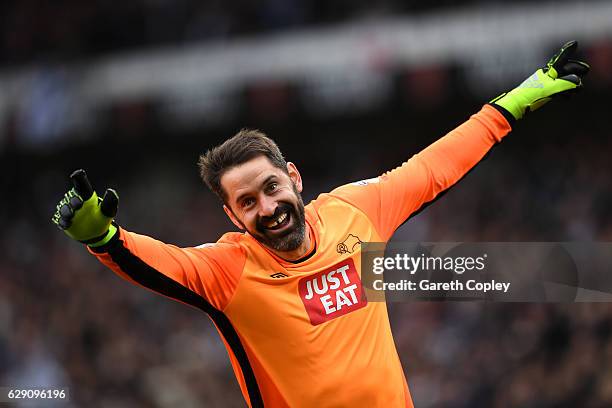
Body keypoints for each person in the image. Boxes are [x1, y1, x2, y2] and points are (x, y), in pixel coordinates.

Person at [52, 41, 589, 407]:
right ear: (231, 216)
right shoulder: (229, 271)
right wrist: (103, 237)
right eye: (247, 203)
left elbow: (433, 166)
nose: (267, 207)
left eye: (270, 188)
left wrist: (519, 99)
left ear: (294, 178)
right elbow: (159, 263)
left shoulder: (353, 212)